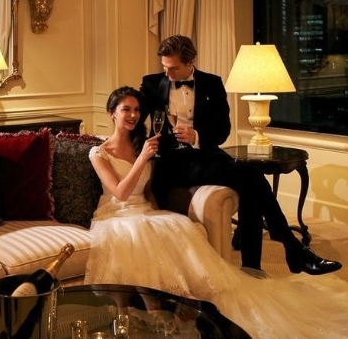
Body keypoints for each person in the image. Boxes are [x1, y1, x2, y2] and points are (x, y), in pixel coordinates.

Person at [84, 86, 348, 339]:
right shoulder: (99, 152)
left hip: (147, 208)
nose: (133, 115)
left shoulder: (146, 144)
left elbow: (151, 188)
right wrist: (143, 158)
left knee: (191, 219)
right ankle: (156, 312)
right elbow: (120, 192)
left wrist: (158, 205)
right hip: (116, 215)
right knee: (146, 234)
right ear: (112, 113)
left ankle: (206, 299)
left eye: (136, 110)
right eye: (126, 110)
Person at [139, 34, 341, 275]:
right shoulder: (152, 84)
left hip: (204, 154)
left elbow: (223, 130)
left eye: (173, 68)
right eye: (165, 67)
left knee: (250, 182)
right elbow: (131, 115)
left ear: (191, 61)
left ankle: (255, 266)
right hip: (173, 163)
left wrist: (196, 136)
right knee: (252, 178)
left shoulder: (212, 83)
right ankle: (289, 249)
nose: (167, 73)